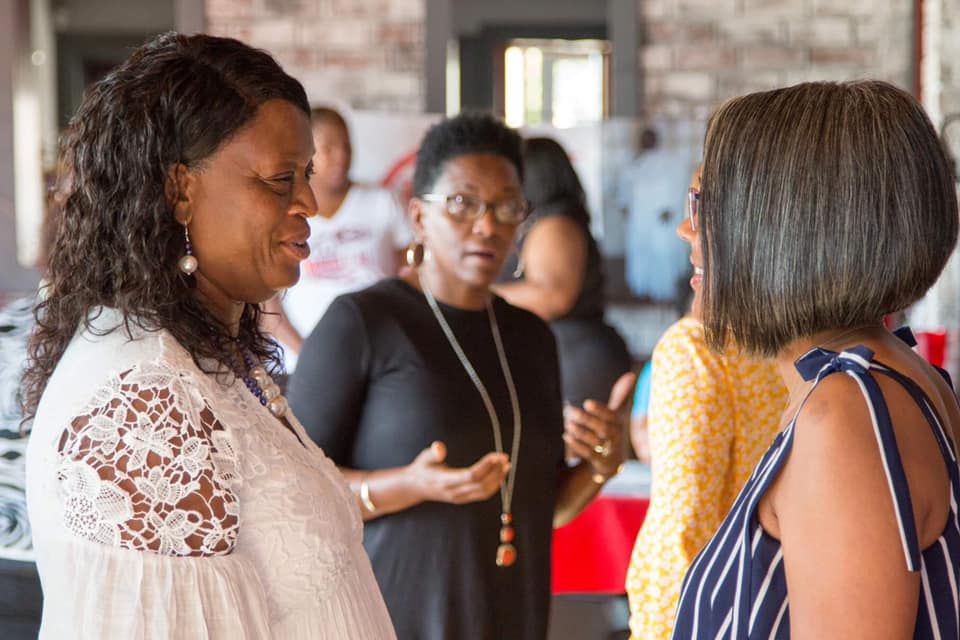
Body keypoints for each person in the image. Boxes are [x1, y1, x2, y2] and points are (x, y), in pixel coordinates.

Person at [22, 33, 394, 639]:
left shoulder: (207, 357)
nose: (309, 202)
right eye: (279, 179)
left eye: (306, 174)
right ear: (180, 191)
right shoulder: (146, 401)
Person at [286, 113, 635, 640]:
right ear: (419, 216)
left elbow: (542, 507)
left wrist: (601, 465)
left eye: (507, 207)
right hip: (390, 621)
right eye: (462, 203)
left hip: (512, 619)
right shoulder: (364, 323)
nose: (487, 225)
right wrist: (407, 485)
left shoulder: (531, 338)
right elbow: (294, 498)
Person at [672, 81, 960, 638]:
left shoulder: (846, 414)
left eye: (703, 205)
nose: (687, 228)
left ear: (786, 223)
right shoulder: (882, 377)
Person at [624, 169, 788, 640]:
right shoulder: (810, 348)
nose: (684, 229)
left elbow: (681, 538)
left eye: (701, 206)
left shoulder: (696, 350)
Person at [263, 106, 412, 369]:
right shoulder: (282, 213)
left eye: (346, 146)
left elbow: (411, 275)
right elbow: (268, 307)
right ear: (305, 153)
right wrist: (310, 357)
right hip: (303, 366)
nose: (341, 156)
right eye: (329, 148)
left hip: (379, 358)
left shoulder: (383, 202)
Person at [496, 137, 632, 407]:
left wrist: (479, 292)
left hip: (574, 358)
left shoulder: (556, 224)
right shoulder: (548, 220)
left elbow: (552, 297)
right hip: (567, 354)